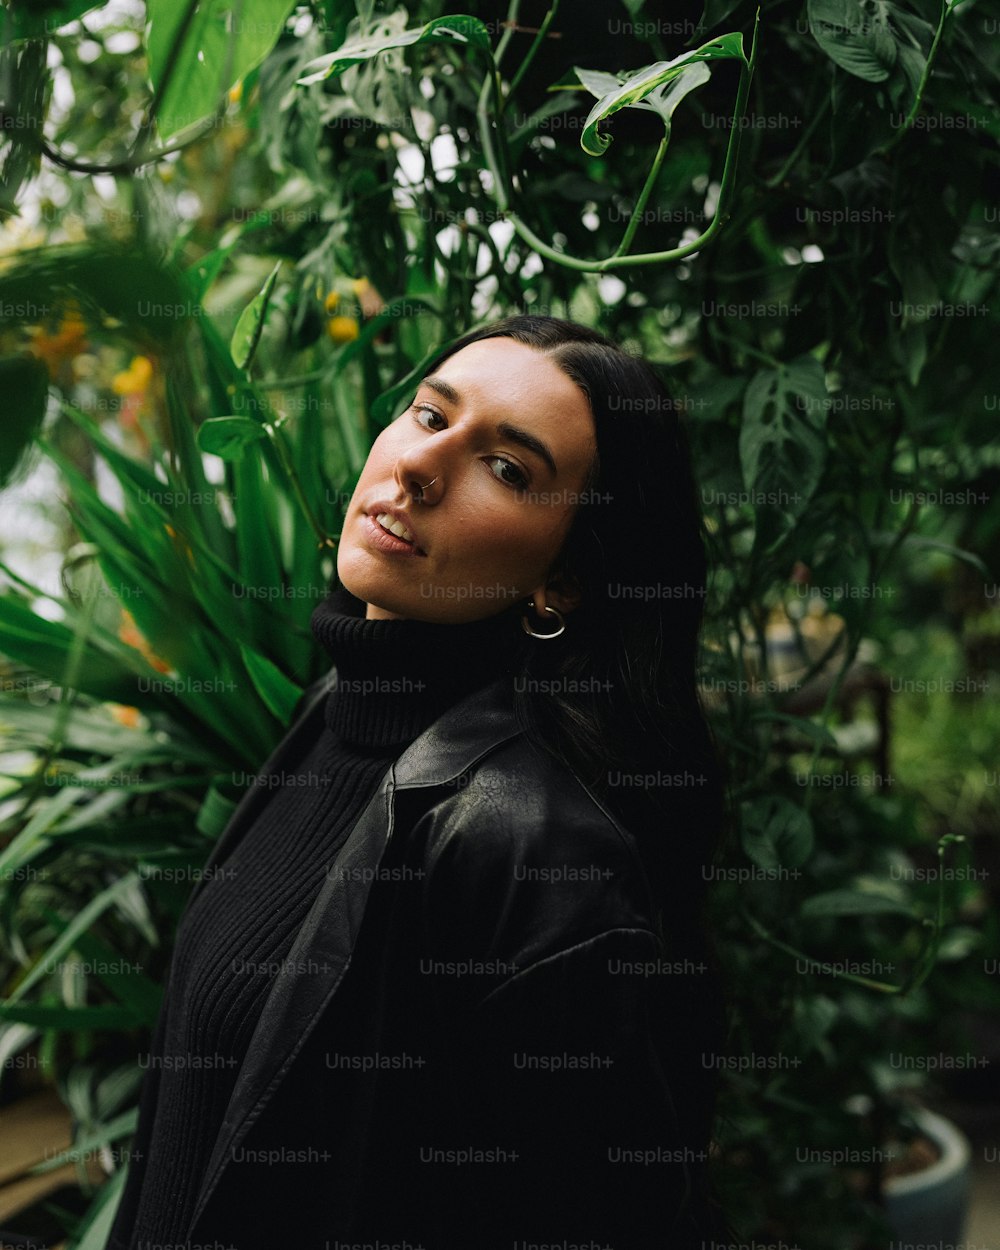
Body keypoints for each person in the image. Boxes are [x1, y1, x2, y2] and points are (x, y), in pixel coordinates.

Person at [106, 314, 731, 1250]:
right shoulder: (335, 715)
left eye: (509, 468)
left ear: (559, 582)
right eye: (430, 415)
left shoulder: (539, 855)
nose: (422, 467)